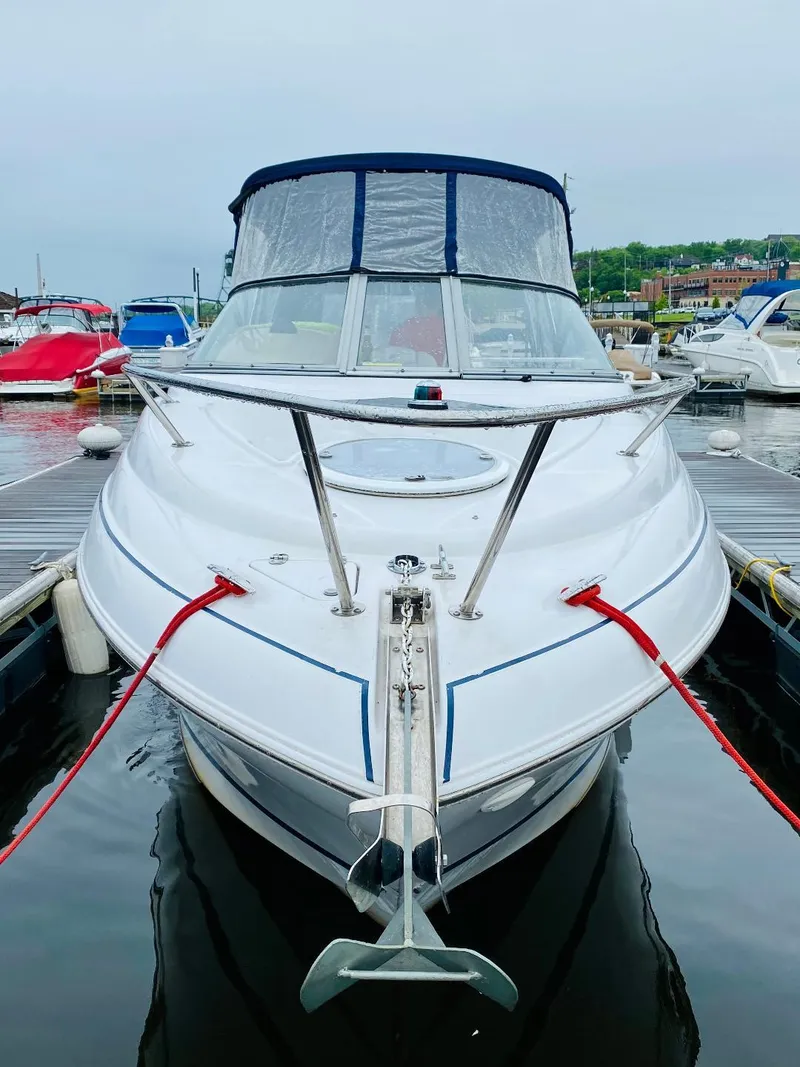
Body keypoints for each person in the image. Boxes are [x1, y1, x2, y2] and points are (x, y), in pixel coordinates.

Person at [389, 287, 445, 365]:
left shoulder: (404, 327)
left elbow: (392, 356)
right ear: (439, 304)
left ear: (418, 304)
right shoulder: (448, 328)